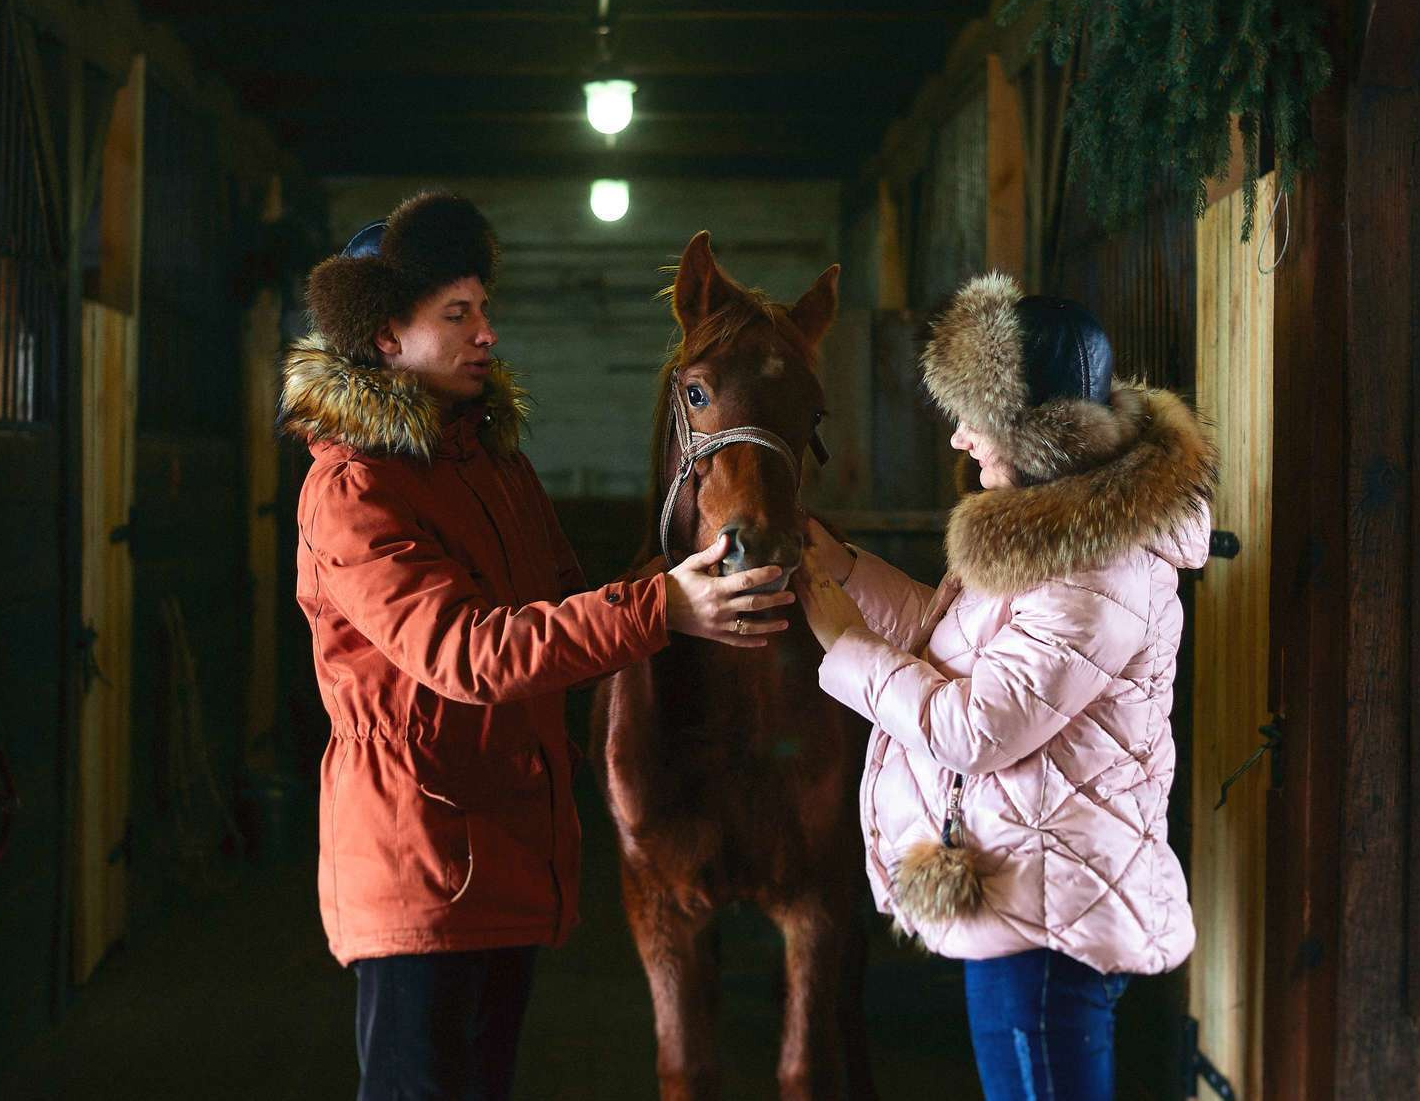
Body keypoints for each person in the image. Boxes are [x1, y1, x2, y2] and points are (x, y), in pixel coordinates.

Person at [280, 191, 794, 1101]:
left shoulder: (492, 464)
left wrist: (684, 573)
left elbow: (561, 612)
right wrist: (662, 606)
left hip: (503, 856)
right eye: (457, 314)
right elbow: (465, 653)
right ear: (387, 337)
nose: (486, 331)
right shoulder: (355, 490)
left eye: (484, 307)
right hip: (418, 857)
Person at [794, 276, 1216, 1101]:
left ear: (1037, 433)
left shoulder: (1095, 567)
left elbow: (979, 725)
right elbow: (969, 652)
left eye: (976, 418)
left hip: (1049, 929)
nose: (959, 437)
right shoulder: (1057, 531)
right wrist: (844, 571)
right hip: (1038, 900)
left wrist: (847, 646)